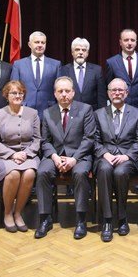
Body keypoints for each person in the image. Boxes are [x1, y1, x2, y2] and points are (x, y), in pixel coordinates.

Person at [35, 76, 96, 240]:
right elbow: (45, 141)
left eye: (67, 91)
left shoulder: (85, 109)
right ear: (55, 94)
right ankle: (45, 218)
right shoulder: (48, 113)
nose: (64, 94)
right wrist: (55, 157)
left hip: (79, 156)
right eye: (60, 91)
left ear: (73, 92)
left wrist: (74, 159)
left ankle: (81, 219)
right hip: (55, 155)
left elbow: (89, 138)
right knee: (42, 172)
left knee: (80, 173)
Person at [93, 78, 138, 242]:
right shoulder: (98, 114)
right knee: (104, 169)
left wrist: (127, 156)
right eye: (113, 90)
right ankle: (107, 220)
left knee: (120, 172)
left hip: (127, 157)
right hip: (105, 156)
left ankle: (122, 217)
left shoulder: (137, 113)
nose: (117, 93)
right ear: (108, 93)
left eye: (120, 90)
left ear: (126, 93)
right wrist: (105, 154)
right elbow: (94, 140)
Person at [0, 80, 41, 232]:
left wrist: (26, 153)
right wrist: (12, 154)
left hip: (28, 154)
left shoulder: (33, 113)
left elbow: (37, 139)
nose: (18, 96)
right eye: (13, 93)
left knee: (29, 173)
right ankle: (7, 213)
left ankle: (18, 213)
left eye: (20, 93)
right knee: (13, 174)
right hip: (4, 155)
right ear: (6, 95)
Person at [11, 31, 61, 120]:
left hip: (49, 112)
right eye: (37, 42)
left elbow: (59, 90)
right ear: (29, 44)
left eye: (43, 42)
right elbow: (14, 89)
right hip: (24, 112)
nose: (40, 45)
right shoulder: (18, 65)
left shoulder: (56, 65)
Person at [105, 29, 138, 109]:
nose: (129, 43)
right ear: (120, 42)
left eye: (132, 40)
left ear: (136, 42)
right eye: (126, 40)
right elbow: (108, 86)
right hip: (120, 107)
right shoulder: (111, 62)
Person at [59, 37, 107, 110]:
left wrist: (102, 114)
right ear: (72, 52)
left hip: (92, 112)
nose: (80, 52)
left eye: (84, 50)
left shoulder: (97, 70)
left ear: (87, 53)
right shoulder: (63, 70)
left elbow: (101, 96)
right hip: (70, 111)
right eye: (77, 49)